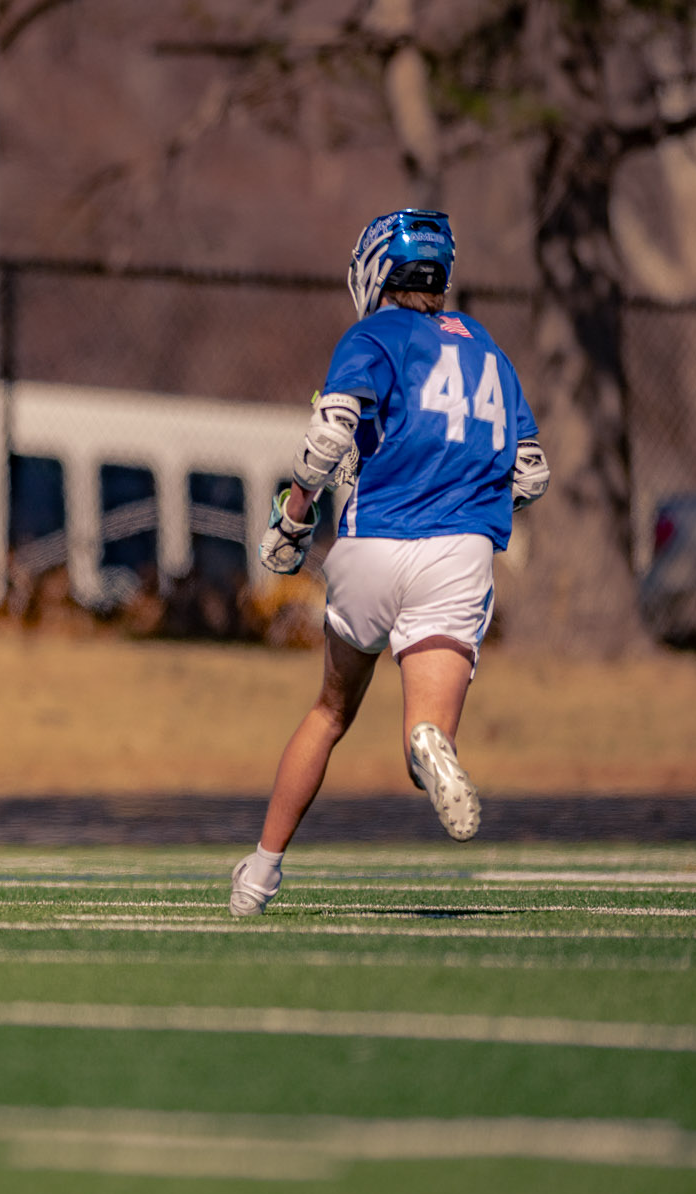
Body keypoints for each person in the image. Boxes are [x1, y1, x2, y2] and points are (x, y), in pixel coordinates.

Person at [229, 209, 550, 917]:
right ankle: (429, 745)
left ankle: (259, 874)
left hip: (373, 544)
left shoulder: (372, 335)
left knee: (330, 711)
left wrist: (292, 519)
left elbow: (327, 436)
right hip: (459, 551)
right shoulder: (487, 349)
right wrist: (463, 492)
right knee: (425, 734)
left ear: (376, 269)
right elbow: (530, 473)